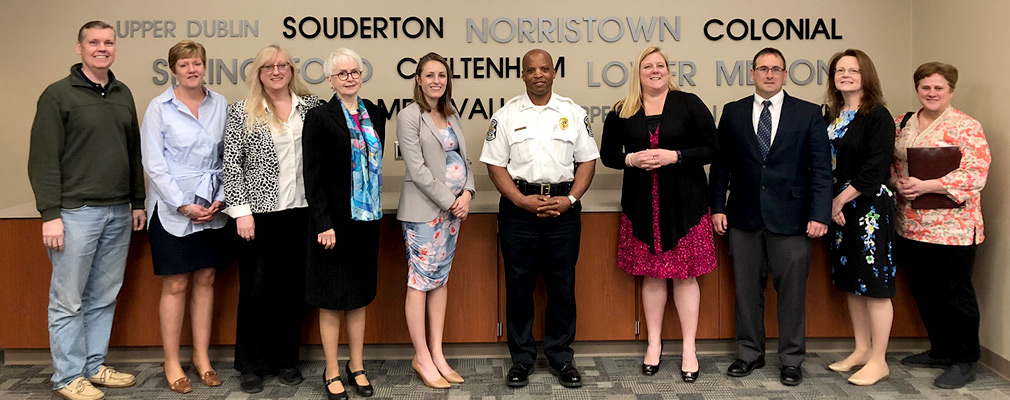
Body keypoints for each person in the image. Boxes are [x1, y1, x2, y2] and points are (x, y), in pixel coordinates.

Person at [27, 20, 145, 400]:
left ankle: (93, 367)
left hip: (117, 212)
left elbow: (133, 153)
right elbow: (43, 160)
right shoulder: (57, 95)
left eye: (108, 42)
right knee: (68, 300)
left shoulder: (123, 92)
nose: (102, 48)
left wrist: (137, 202)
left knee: (104, 295)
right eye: (94, 42)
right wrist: (50, 214)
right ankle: (67, 376)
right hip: (75, 213)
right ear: (79, 48)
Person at [709, 47, 832, 386]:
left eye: (776, 69)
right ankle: (749, 354)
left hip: (793, 220)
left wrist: (819, 213)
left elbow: (821, 169)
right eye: (763, 69)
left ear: (785, 75)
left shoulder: (808, 113)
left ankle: (792, 360)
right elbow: (721, 166)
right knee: (746, 292)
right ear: (751, 73)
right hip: (743, 218)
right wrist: (717, 206)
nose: (769, 74)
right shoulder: (732, 113)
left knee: (792, 294)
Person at [480, 48, 599, 389]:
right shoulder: (505, 115)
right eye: (531, 69)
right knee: (519, 288)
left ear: (553, 72)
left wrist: (571, 199)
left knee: (562, 287)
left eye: (544, 68)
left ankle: (561, 357)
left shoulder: (573, 113)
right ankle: (521, 360)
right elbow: (494, 164)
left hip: (563, 211)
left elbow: (588, 160)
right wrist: (519, 200)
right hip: (519, 212)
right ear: (522, 75)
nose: (538, 74)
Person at [599, 46, 717, 382]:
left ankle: (690, 349)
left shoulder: (689, 103)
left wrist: (675, 156)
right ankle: (653, 344)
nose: (655, 71)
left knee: (685, 276)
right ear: (638, 72)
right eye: (647, 66)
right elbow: (608, 154)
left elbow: (713, 148)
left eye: (660, 65)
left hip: (686, 205)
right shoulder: (622, 110)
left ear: (669, 70)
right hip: (641, 205)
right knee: (652, 276)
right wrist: (631, 160)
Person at [222, 44, 323, 394]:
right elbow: (231, 165)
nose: (276, 71)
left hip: (301, 214)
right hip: (259, 217)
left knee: (293, 291)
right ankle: (251, 365)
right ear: (258, 72)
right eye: (268, 67)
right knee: (256, 291)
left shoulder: (312, 108)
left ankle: (286, 360)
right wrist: (241, 211)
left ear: (292, 70)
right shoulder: (241, 112)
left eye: (282, 65)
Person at [891, 62, 990, 389]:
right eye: (925, 88)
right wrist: (898, 182)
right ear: (917, 89)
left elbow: (975, 174)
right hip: (911, 223)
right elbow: (890, 161)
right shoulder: (903, 123)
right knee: (923, 289)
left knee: (954, 293)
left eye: (938, 88)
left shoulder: (966, 127)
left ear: (951, 91)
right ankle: (941, 350)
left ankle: (964, 360)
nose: (931, 93)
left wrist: (926, 185)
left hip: (954, 228)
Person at [139, 40, 229, 394]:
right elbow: (154, 165)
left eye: (197, 64)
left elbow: (228, 155)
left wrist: (220, 199)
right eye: (184, 65)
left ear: (205, 67)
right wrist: (182, 204)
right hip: (172, 208)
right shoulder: (159, 107)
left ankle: (201, 357)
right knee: (176, 284)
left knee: (206, 280)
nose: (192, 70)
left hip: (213, 206)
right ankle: (172, 360)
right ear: (173, 69)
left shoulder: (219, 103)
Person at [302, 48, 385, 400]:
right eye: (342, 74)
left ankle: (357, 364)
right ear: (330, 79)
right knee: (330, 298)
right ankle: (332, 369)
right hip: (332, 224)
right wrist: (323, 223)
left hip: (365, 221)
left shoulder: (377, 114)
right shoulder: (319, 117)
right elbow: (313, 175)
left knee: (358, 298)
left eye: (354, 72)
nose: (350, 78)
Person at [395, 52, 475, 389]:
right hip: (424, 213)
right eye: (429, 75)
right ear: (418, 79)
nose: (436, 81)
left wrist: (468, 193)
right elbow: (418, 170)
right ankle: (422, 356)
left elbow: (463, 160)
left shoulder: (450, 114)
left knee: (440, 280)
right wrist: (451, 201)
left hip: (453, 214)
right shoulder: (409, 116)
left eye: (441, 75)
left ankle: (438, 354)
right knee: (420, 281)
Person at [820, 49, 897, 386]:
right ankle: (861, 350)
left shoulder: (878, 116)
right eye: (840, 70)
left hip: (868, 210)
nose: (846, 75)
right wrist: (832, 203)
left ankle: (879, 360)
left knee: (876, 285)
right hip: (838, 212)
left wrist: (838, 199)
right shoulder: (832, 116)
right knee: (852, 281)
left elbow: (875, 169)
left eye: (853, 70)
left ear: (866, 75)